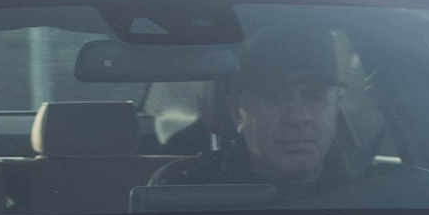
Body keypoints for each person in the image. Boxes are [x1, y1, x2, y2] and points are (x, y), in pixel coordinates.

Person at [153, 25, 362, 193]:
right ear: (237, 113)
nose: (297, 117)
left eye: (313, 96)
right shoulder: (185, 199)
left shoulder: (381, 192)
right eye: (274, 98)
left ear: (336, 106)